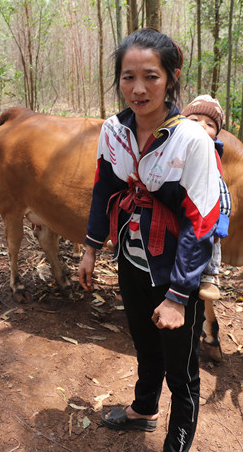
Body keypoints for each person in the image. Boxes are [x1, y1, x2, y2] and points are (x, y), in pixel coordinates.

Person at [78, 29, 220, 452]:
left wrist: (178, 297)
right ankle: (144, 409)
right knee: (143, 343)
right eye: (127, 77)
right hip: (132, 260)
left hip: (176, 272)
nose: (138, 89)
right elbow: (104, 188)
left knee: (182, 371)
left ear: (172, 78)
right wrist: (90, 248)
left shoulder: (193, 140)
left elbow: (201, 224)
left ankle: (176, 444)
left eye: (151, 77)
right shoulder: (113, 131)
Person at [181, 95, 231, 301]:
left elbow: (222, 190)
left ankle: (210, 276)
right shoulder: (173, 146)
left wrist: (222, 217)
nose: (201, 126)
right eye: (194, 120)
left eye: (209, 124)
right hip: (177, 205)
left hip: (203, 208)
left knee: (210, 238)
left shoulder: (210, 154)